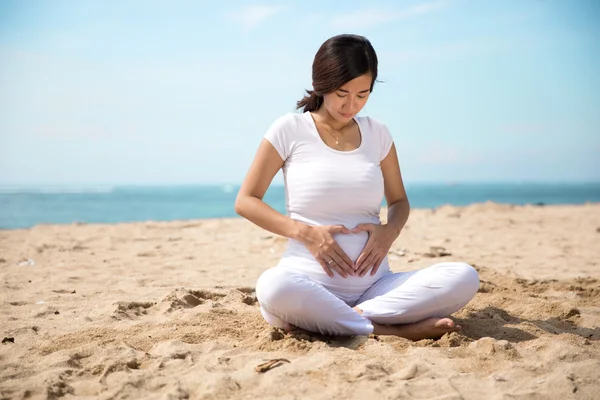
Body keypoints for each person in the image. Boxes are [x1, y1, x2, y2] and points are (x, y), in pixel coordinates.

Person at [234, 34, 479, 340]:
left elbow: (399, 201)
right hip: (306, 284)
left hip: (376, 289)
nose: (351, 104)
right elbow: (246, 201)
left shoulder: (378, 133)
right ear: (322, 84)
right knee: (273, 287)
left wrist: (389, 232)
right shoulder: (290, 129)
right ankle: (393, 330)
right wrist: (306, 233)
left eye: (363, 94)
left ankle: (350, 319)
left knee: (464, 277)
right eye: (342, 93)